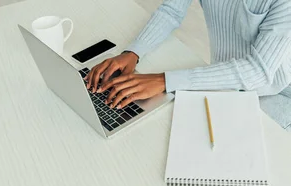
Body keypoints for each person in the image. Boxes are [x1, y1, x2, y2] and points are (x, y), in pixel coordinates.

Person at [85, 0, 291, 132]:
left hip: (277, 92)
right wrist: (133, 52)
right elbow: (172, 10)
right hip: (227, 78)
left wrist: (164, 80)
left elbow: (258, 71)